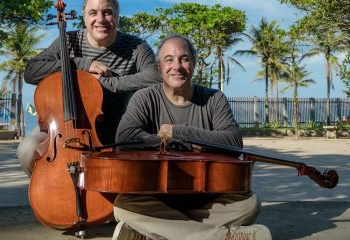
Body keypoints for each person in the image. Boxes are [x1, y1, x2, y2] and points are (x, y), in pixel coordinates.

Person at [112, 35, 272, 240]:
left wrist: (180, 132)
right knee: (123, 206)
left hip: (208, 199)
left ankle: (151, 232)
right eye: (169, 60)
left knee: (250, 204)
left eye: (184, 59)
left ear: (194, 65)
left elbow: (234, 142)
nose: (176, 66)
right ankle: (223, 237)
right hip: (157, 197)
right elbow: (124, 139)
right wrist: (166, 141)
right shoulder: (144, 97)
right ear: (160, 67)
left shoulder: (214, 98)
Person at [16, 0, 161, 176]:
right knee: (27, 150)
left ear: (117, 16)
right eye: (93, 13)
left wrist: (105, 83)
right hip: (63, 127)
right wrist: (81, 64)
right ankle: (50, 192)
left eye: (107, 12)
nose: (100, 19)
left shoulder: (136, 47)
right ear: (84, 18)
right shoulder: (68, 40)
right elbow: (31, 71)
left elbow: (156, 76)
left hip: (115, 130)